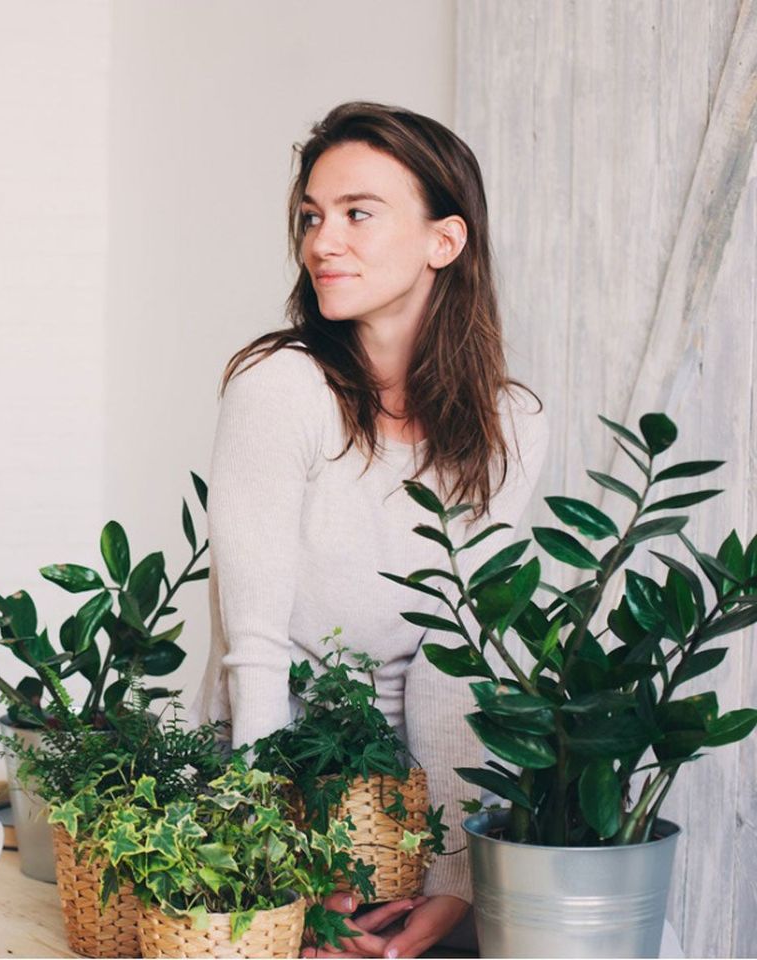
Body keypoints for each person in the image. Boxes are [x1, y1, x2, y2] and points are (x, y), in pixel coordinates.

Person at [189, 102, 549, 957]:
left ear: (444, 241)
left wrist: (455, 878)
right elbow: (257, 648)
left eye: (357, 213)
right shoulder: (281, 389)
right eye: (312, 216)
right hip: (262, 786)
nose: (321, 242)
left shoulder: (514, 425)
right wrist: (274, 866)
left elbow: (458, 660)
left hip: (413, 813)